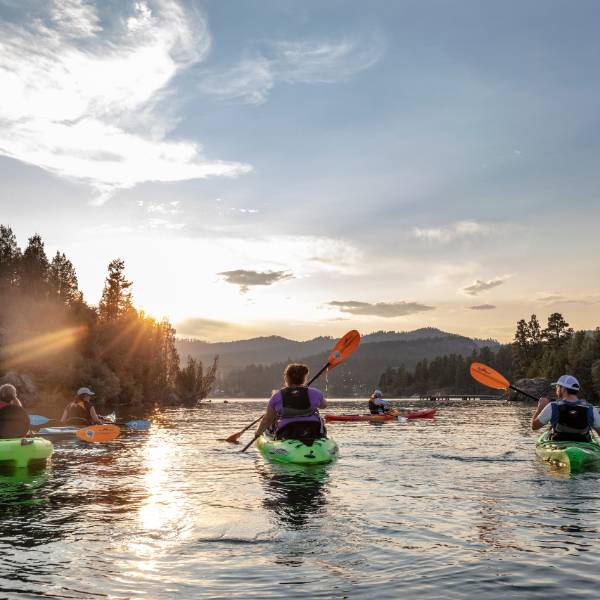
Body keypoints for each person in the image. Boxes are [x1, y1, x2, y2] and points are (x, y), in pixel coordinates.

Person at [255, 364, 327, 442]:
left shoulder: (277, 396)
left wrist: (258, 434)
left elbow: (267, 420)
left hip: (287, 432)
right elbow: (324, 405)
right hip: (313, 430)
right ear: (304, 378)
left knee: (272, 425)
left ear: (286, 378)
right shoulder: (315, 393)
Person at [531, 375, 600, 441]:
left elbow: (534, 426)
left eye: (557, 387)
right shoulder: (591, 408)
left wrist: (540, 407)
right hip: (584, 447)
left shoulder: (552, 406)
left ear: (563, 389)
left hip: (559, 447)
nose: (556, 389)